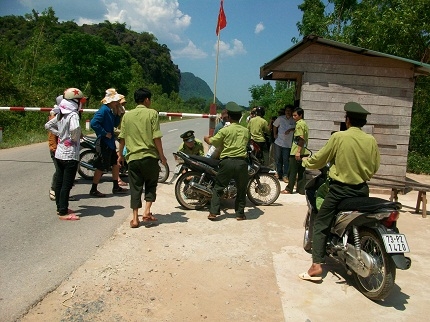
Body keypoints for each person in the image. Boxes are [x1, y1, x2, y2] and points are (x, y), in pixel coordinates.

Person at [299, 102, 380, 281]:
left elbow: (321, 159)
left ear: (348, 120)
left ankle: (316, 266)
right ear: (363, 123)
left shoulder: (340, 137)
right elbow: (374, 166)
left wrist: (305, 162)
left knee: (321, 223)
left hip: (339, 190)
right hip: (362, 190)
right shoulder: (371, 141)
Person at [117, 87, 167, 228]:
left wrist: (120, 154)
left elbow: (122, 137)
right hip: (150, 157)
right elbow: (156, 136)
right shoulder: (152, 114)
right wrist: (162, 156)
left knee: (135, 187)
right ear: (146, 99)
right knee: (151, 184)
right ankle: (146, 211)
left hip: (132, 158)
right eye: (149, 99)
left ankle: (135, 218)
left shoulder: (127, 116)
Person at [204, 101, 250, 221]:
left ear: (229, 117)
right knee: (241, 189)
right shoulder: (246, 131)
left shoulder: (225, 130)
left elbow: (212, 142)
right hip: (241, 163)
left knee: (218, 187)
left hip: (227, 162)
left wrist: (206, 138)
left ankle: (213, 213)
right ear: (240, 117)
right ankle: (240, 214)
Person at [44, 88, 85, 220]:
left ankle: (60, 207)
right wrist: (74, 139)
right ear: (76, 101)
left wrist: (61, 135)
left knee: (60, 182)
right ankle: (63, 212)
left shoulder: (61, 112)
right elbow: (75, 129)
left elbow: (48, 125)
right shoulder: (73, 115)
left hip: (60, 153)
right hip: (70, 154)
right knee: (67, 184)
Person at [89, 88, 127, 197]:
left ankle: (116, 186)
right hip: (104, 142)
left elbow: (114, 124)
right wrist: (104, 133)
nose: (117, 102)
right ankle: (94, 189)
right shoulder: (104, 110)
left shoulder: (111, 110)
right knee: (101, 166)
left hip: (109, 142)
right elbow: (94, 123)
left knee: (115, 164)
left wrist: (118, 114)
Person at [281, 107, 309, 195]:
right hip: (304, 151)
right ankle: (301, 189)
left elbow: (301, 139)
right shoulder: (304, 123)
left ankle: (289, 189)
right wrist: (291, 129)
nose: (293, 117)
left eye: (295, 115)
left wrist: (298, 152)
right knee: (301, 171)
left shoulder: (299, 124)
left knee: (292, 171)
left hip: (297, 151)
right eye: (293, 115)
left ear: (300, 115)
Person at [273, 105, 295, 182]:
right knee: (278, 159)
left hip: (287, 143)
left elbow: (296, 128)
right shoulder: (280, 118)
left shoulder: (294, 120)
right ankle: (279, 173)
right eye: (286, 111)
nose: (288, 112)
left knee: (286, 160)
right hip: (279, 142)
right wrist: (275, 134)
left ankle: (285, 175)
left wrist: (291, 129)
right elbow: (275, 126)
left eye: (289, 111)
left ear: (292, 111)